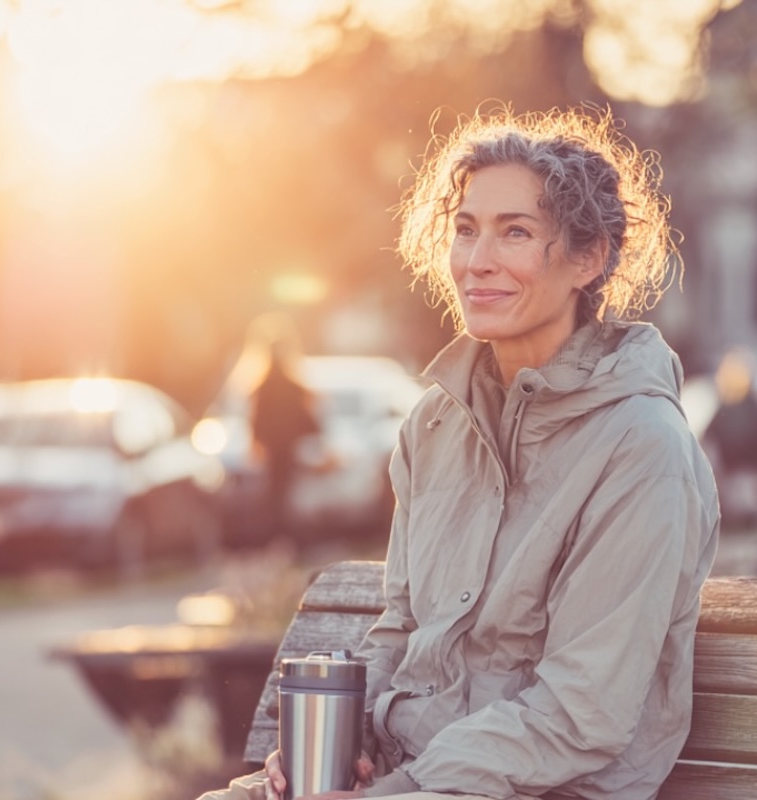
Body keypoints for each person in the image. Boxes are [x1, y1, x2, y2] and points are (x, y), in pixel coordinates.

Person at [200, 105, 720, 800]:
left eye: (515, 233)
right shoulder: (433, 425)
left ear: (588, 258)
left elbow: (578, 716)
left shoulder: (640, 447)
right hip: (406, 776)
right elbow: (404, 627)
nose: (477, 261)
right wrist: (335, 746)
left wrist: (403, 788)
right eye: (466, 230)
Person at [247, 316, 320, 548]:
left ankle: (281, 537)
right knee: (283, 493)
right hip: (285, 447)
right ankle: (286, 537)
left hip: (278, 448)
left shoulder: (265, 385)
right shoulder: (290, 385)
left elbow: (257, 419)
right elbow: (307, 419)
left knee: (278, 493)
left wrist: (257, 441)